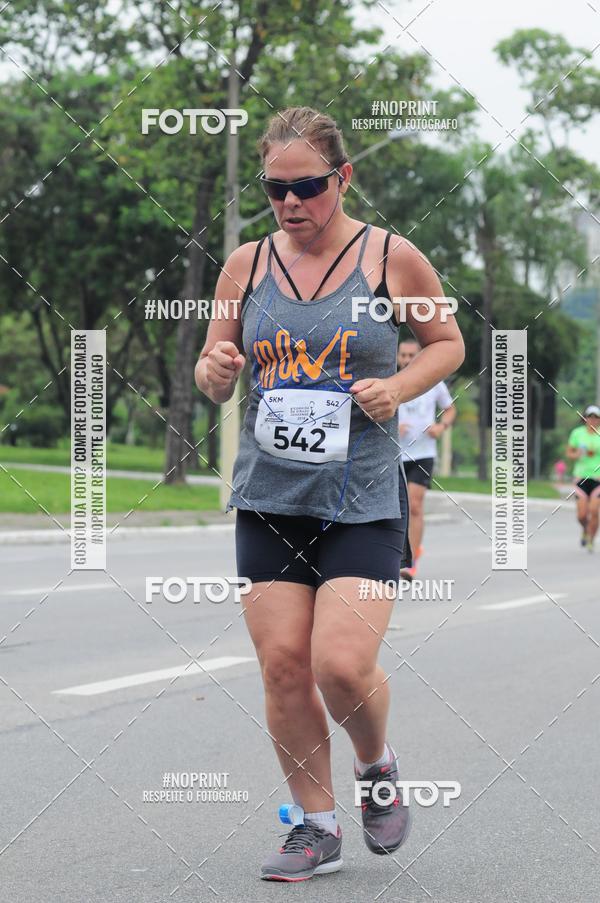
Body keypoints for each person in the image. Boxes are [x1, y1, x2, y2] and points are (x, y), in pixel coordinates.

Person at [195, 106, 465, 882]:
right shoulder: (245, 264)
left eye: (307, 187)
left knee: (339, 665)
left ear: (342, 179)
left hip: (364, 495)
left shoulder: (391, 257)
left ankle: (376, 766)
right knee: (284, 666)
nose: (290, 204)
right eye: (275, 189)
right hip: (271, 496)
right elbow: (216, 361)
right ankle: (316, 825)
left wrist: (399, 385)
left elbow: (446, 342)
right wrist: (214, 373)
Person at [396, 338, 456, 580]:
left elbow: (451, 409)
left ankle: (410, 561)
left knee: (415, 504)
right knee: (397, 509)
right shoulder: (391, 380)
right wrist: (391, 426)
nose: (407, 360)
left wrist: (442, 426)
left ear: (420, 356)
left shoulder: (433, 382)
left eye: (412, 355)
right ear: (397, 357)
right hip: (395, 453)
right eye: (403, 355)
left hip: (423, 453)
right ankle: (398, 553)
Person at [565, 404, 600, 551]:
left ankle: (591, 539)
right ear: (585, 419)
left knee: (594, 511)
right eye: (590, 417)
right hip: (581, 478)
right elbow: (569, 453)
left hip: (597, 478)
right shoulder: (577, 433)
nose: (592, 420)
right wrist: (577, 454)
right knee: (582, 515)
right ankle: (585, 530)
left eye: (596, 417)